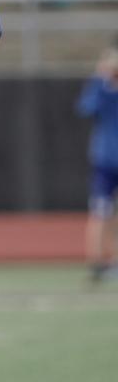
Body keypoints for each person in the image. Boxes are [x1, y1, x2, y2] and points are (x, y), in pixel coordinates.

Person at [76, 46, 118, 282]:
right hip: (105, 161)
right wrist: (102, 82)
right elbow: (85, 108)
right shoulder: (101, 87)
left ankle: (114, 260)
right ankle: (96, 261)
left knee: (114, 214)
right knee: (101, 211)